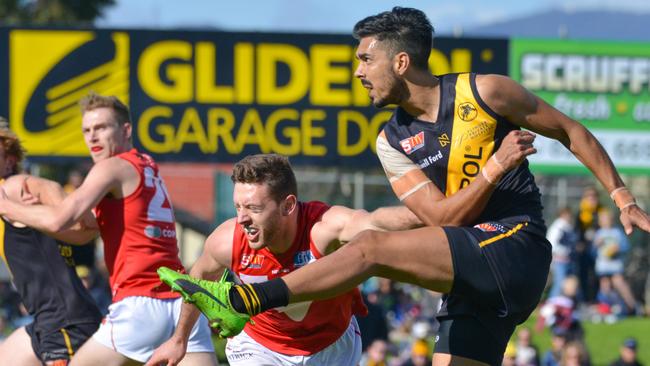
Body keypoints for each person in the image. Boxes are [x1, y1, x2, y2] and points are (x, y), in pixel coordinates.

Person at [160, 7, 650, 365]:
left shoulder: (487, 92)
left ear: (399, 63)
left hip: (513, 245)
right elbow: (442, 218)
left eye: (365, 60)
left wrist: (622, 196)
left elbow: (571, 130)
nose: (357, 72)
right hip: (464, 267)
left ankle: (251, 299)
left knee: (371, 247)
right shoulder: (391, 141)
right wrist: (492, 169)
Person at [0, 94, 216, 365]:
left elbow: (60, 220)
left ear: (125, 130)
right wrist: (36, 213)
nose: (92, 137)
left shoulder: (110, 168)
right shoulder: (147, 166)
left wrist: (7, 207)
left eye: (101, 128)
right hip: (182, 302)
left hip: (140, 303)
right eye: (87, 130)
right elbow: (85, 226)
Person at [149, 154, 419, 366]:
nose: (242, 218)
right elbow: (196, 283)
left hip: (332, 345)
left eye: (253, 208)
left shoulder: (323, 228)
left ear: (288, 205)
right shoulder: (226, 241)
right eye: (238, 207)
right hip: (260, 346)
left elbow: (374, 223)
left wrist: (428, 215)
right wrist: (179, 339)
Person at [0, 128, 102, 365]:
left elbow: (81, 225)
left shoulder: (16, 186)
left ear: (9, 161)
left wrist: (59, 206)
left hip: (65, 324)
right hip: (46, 321)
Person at [547, 207, 578, 298]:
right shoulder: (558, 226)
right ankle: (552, 303)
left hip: (568, 260)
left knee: (568, 284)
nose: (568, 216)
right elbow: (552, 243)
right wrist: (562, 253)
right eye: (566, 214)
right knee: (559, 283)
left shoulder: (567, 226)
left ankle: (564, 304)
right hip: (559, 260)